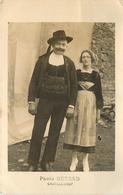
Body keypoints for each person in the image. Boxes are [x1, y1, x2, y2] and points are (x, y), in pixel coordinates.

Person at [28, 30, 77, 171]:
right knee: (38, 131)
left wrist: (71, 105)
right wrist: (31, 101)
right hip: (44, 101)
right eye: (59, 44)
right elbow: (34, 81)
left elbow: (73, 86)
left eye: (64, 44)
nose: (62, 47)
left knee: (54, 133)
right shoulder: (42, 61)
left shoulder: (69, 63)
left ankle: (47, 162)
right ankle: (32, 163)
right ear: (53, 44)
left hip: (61, 104)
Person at [64, 49, 103, 171]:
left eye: (88, 57)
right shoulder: (76, 73)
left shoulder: (96, 75)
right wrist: (70, 105)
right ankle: (74, 159)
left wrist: (98, 111)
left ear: (91, 59)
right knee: (75, 129)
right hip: (77, 103)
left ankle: (85, 160)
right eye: (83, 57)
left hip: (90, 105)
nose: (85, 59)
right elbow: (71, 90)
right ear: (81, 59)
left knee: (87, 131)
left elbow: (99, 94)